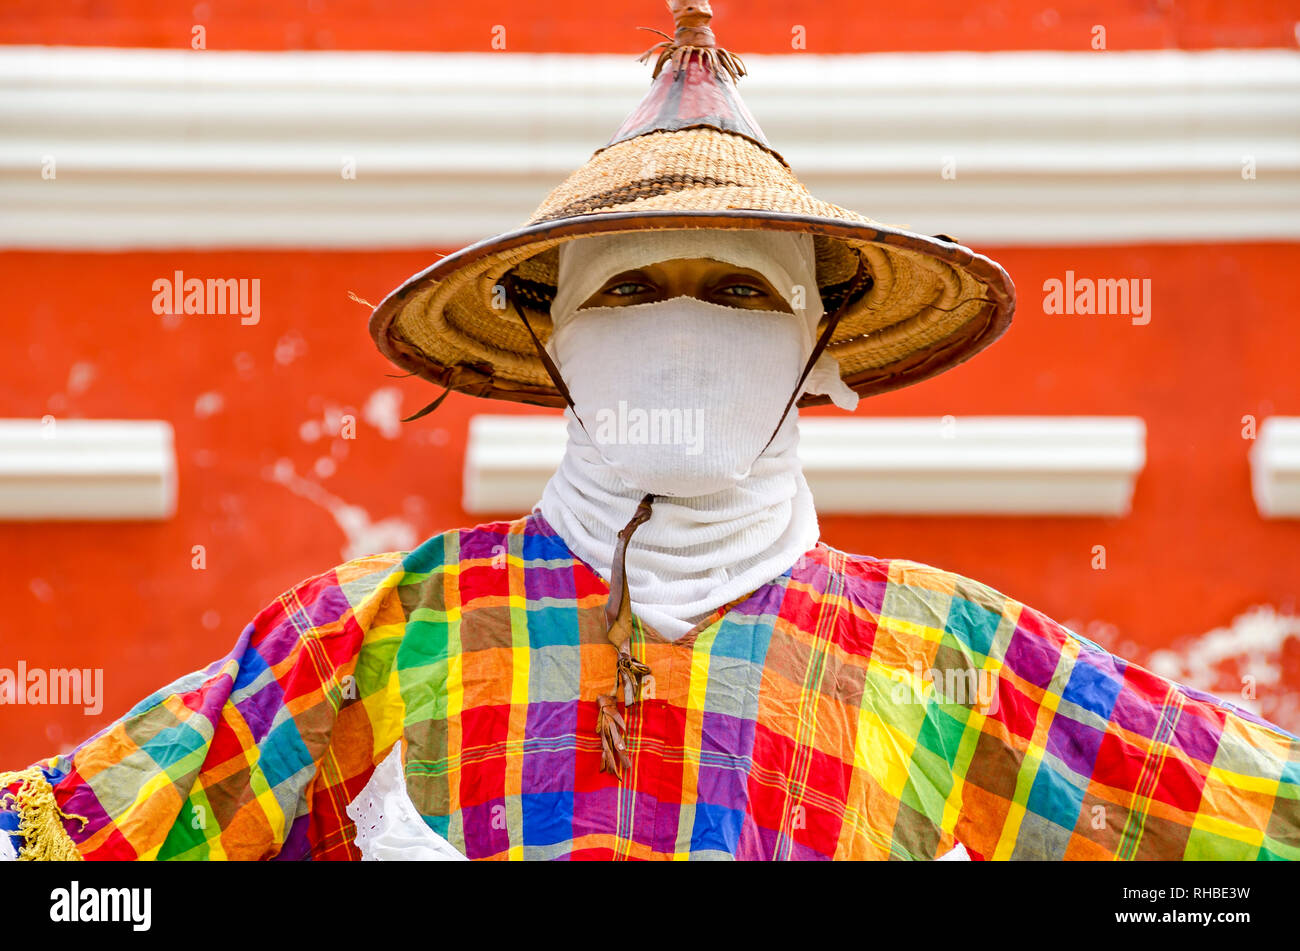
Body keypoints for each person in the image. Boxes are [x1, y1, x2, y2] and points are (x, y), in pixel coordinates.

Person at [3, 0, 1298, 862]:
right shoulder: (369, 637)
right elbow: (75, 858)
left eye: (740, 289)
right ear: (548, 336)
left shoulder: (952, 657)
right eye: (628, 287)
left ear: (817, 347)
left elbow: (1245, 830)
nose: (683, 325)